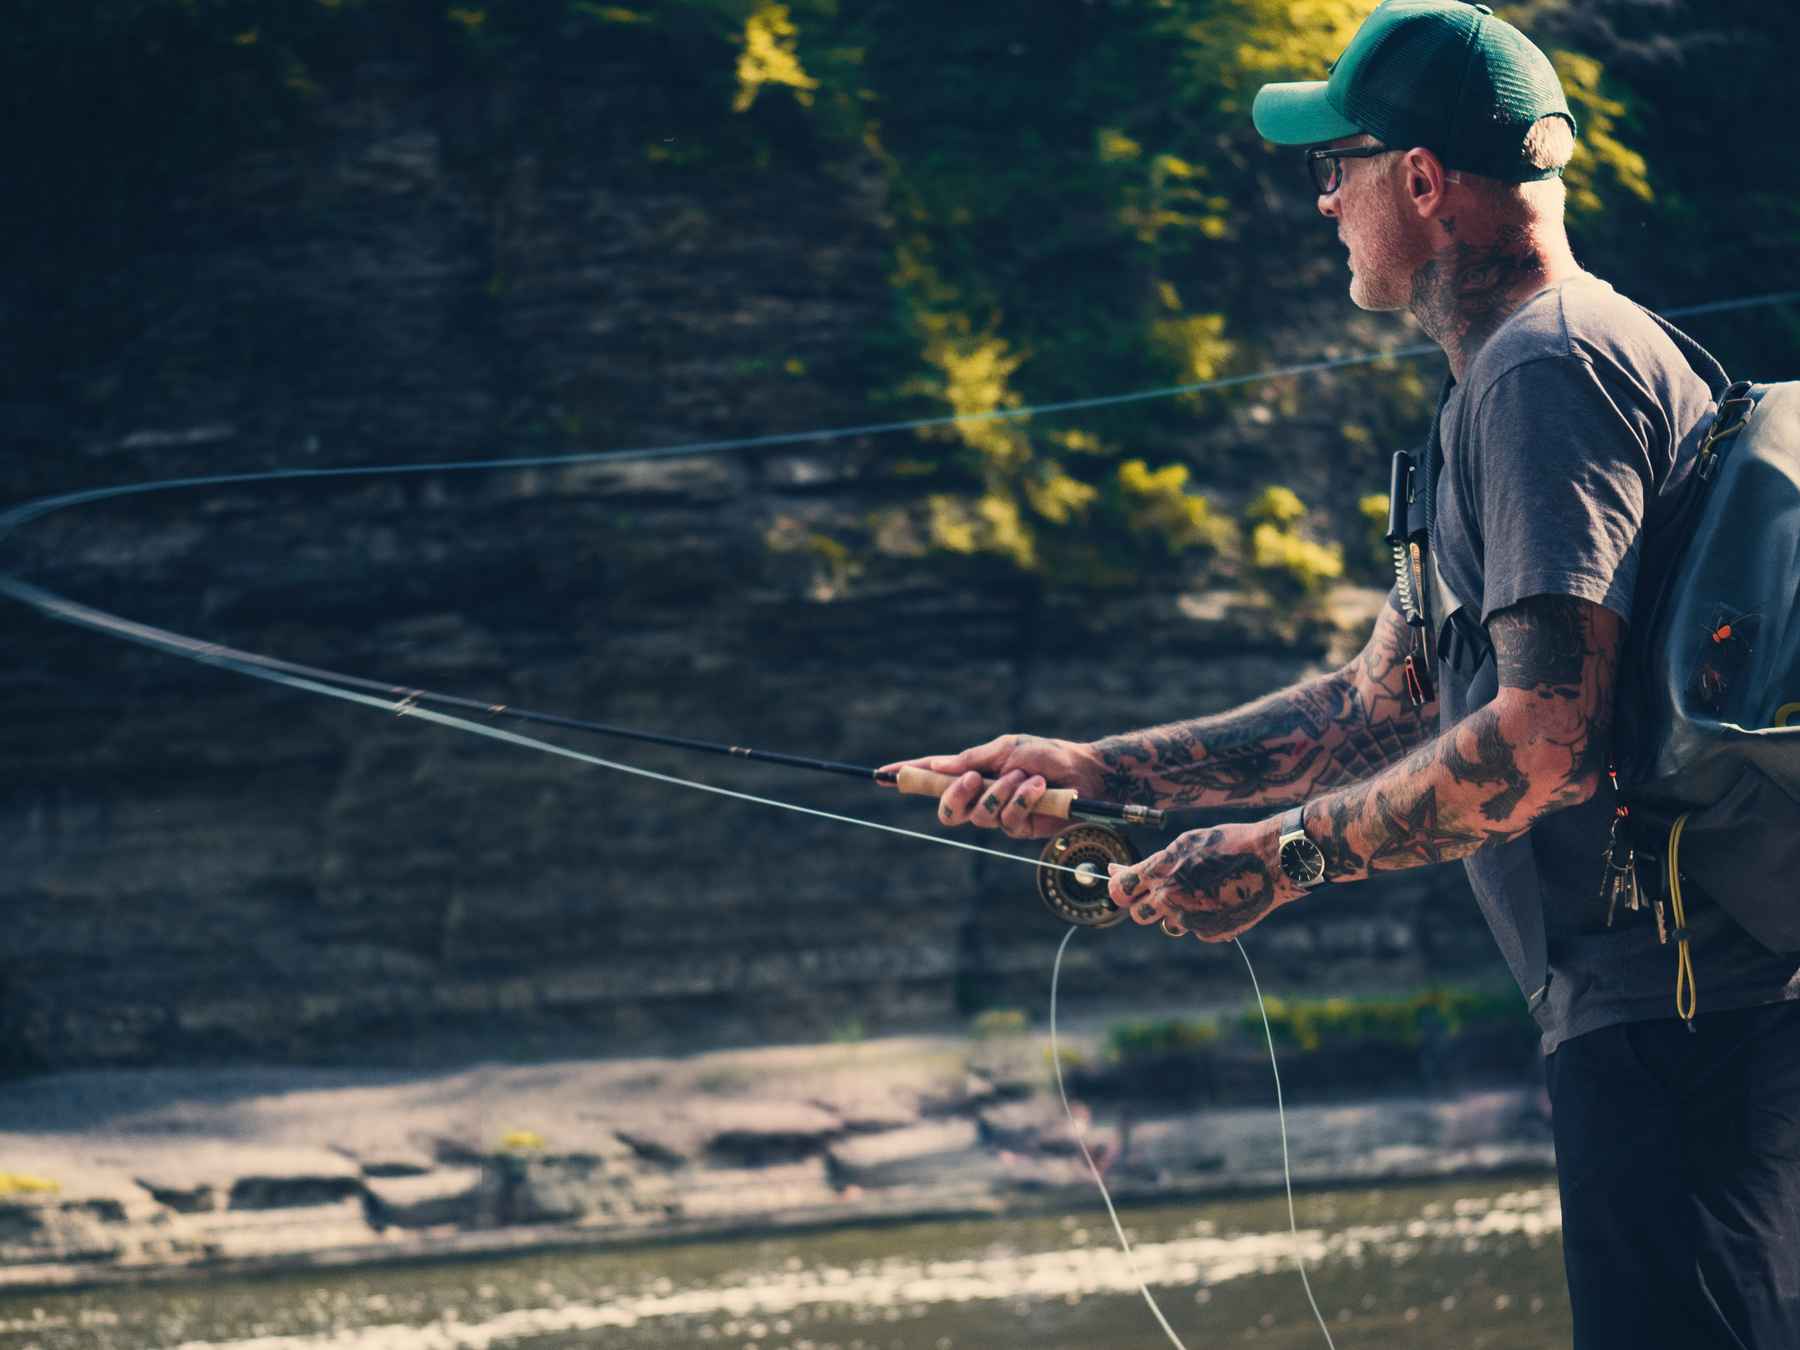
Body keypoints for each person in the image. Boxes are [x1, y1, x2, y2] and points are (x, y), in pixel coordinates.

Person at [882, 2, 1800, 1346]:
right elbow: (1376, 706)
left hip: (1684, 1032)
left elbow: (1544, 740)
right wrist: (1095, 773)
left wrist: (1287, 857)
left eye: (1338, 162)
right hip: (1671, 1022)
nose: (1321, 196)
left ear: (1422, 181)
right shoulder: (1522, 375)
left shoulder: (1545, 373)